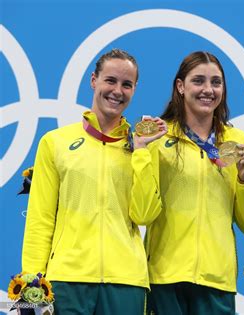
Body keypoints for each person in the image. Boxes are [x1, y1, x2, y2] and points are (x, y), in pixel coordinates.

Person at [22, 48, 167, 314]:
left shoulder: (141, 147)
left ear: (135, 89)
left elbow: (144, 214)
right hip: (68, 280)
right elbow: (40, 220)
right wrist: (32, 284)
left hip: (126, 282)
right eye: (110, 80)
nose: (117, 91)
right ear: (93, 80)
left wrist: (143, 151)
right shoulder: (55, 143)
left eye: (127, 84)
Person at [129, 51, 244, 315]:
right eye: (198, 81)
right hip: (165, 278)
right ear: (181, 86)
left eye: (216, 82)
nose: (208, 90)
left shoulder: (237, 143)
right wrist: (142, 153)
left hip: (217, 281)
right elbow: (142, 214)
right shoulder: (158, 138)